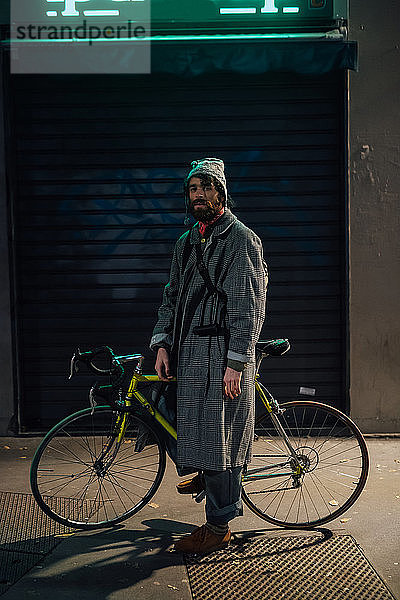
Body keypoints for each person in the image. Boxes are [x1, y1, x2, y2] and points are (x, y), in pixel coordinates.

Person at [150, 158, 267, 554]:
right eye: (192, 189)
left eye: (205, 188)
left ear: (220, 192)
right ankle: (207, 472)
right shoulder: (187, 242)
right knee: (162, 408)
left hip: (221, 354)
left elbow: (246, 306)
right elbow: (171, 295)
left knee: (220, 443)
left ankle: (219, 525)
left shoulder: (240, 240)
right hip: (187, 350)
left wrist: (237, 362)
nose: (198, 195)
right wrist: (162, 343)